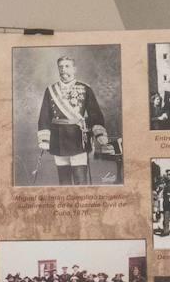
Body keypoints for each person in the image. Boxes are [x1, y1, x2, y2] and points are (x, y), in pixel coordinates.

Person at [36, 55, 113, 185]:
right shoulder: (50, 90)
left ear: (74, 69)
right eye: (61, 67)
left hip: (78, 138)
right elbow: (44, 116)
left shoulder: (85, 89)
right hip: (58, 138)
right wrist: (44, 139)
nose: (63, 70)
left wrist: (99, 133)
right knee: (64, 180)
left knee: (80, 179)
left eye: (67, 66)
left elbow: (95, 113)